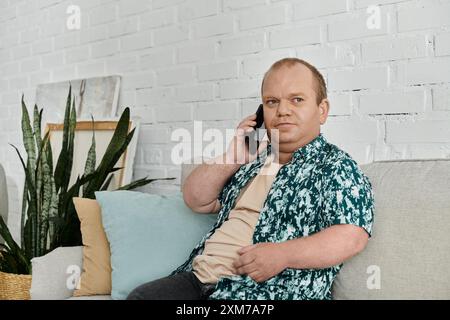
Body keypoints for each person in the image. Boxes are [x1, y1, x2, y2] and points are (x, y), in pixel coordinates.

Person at [127, 58, 374, 300]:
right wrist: (233, 156)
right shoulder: (252, 163)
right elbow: (195, 199)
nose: (283, 110)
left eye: (296, 100)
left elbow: (352, 235)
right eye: (272, 102)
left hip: (264, 290)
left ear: (322, 110)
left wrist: (282, 254)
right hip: (199, 281)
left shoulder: (335, 166)